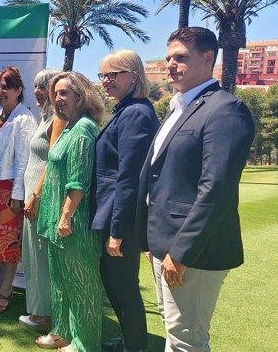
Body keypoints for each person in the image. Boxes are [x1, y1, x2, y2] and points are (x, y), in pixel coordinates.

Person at [135, 27, 254, 351]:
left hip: (194, 251)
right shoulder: (179, 108)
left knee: (187, 341)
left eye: (181, 58)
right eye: (169, 57)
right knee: (176, 333)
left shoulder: (225, 110)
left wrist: (181, 251)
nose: (171, 64)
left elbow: (216, 187)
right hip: (165, 243)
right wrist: (152, 240)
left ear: (208, 58)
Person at [93, 50, 159, 352]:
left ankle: (136, 346)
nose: (106, 81)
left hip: (120, 220)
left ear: (134, 75)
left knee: (124, 288)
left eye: (113, 74)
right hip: (110, 215)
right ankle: (131, 341)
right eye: (102, 75)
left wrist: (117, 231)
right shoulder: (126, 110)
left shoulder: (137, 114)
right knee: (116, 285)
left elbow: (129, 178)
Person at [35, 71, 104, 352]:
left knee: (81, 285)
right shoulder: (68, 126)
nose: (58, 99)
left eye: (64, 93)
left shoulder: (84, 129)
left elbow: (79, 180)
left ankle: (85, 343)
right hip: (56, 222)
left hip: (73, 224)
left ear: (81, 95)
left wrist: (66, 215)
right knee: (61, 282)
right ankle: (62, 332)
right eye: (56, 93)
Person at [0, 66, 37, 313]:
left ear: (19, 90)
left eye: (7, 86)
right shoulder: (0, 115)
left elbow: (23, 161)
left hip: (10, 194)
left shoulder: (23, 119)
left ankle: (5, 292)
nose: (1, 91)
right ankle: (5, 287)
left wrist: (17, 195)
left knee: (8, 244)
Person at [19, 68, 60, 331]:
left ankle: (43, 314)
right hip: (32, 196)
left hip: (40, 197)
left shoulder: (57, 119)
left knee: (41, 256)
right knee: (33, 255)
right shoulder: (44, 118)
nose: (37, 91)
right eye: (35, 86)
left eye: (43, 86)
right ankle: (37, 310)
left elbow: (53, 161)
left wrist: (36, 195)